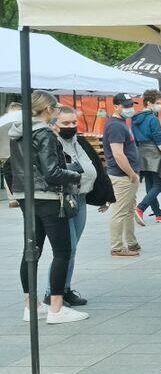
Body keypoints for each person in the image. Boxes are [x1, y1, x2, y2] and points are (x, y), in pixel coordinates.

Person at [7, 91, 89, 323]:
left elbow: (12, 166)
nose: (56, 112)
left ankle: (31, 306)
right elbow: (52, 173)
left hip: (26, 194)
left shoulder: (18, 131)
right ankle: (56, 308)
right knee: (63, 251)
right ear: (47, 109)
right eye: (56, 108)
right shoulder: (43, 132)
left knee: (32, 250)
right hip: (48, 197)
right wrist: (74, 174)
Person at [46, 107, 113, 308]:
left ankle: (64, 289)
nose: (71, 126)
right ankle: (52, 293)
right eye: (65, 123)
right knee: (67, 248)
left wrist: (106, 195)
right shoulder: (50, 143)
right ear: (53, 125)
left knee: (72, 249)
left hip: (80, 197)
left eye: (74, 122)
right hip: (61, 199)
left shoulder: (80, 142)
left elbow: (97, 167)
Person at [102, 93, 142, 257]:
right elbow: (118, 154)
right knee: (120, 211)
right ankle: (117, 247)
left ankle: (131, 243)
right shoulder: (116, 126)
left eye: (131, 105)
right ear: (116, 107)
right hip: (122, 176)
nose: (129, 108)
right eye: (125, 106)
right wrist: (131, 174)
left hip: (125, 175)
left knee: (128, 211)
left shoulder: (120, 123)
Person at [132, 89, 161, 224]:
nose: (159, 106)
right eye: (157, 103)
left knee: (150, 184)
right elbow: (159, 142)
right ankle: (140, 208)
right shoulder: (153, 119)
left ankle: (158, 214)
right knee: (158, 184)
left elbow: (135, 139)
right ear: (149, 103)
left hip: (141, 153)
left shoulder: (135, 119)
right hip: (154, 153)